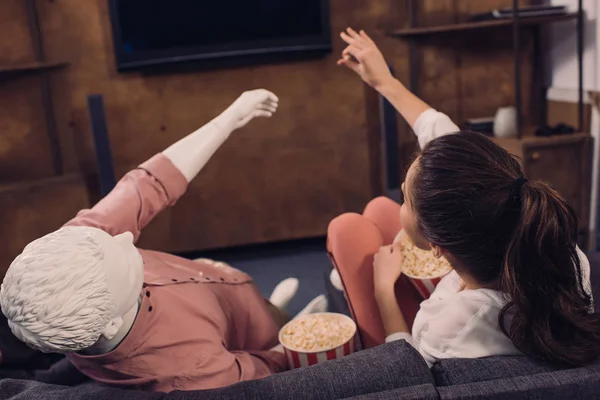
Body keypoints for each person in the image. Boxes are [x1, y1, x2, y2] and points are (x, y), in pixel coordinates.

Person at [0, 89, 327, 392]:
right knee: (266, 336)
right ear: (112, 322)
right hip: (241, 340)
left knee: (254, 301)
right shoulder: (186, 369)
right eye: (126, 267)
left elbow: (148, 185)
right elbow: (260, 373)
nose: (125, 236)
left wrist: (231, 117)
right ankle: (283, 326)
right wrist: (297, 346)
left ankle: (272, 307)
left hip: (216, 285)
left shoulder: (77, 247)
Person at [336, 27, 600, 367]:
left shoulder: (451, 327)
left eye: (406, 199)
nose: (402, 202)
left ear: (438, 249)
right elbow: (441, 133)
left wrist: (383, 291)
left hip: (442, 326)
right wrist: (384, 81)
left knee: (347, 230)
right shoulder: (562, 252)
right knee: (378, 209)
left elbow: (409, 368)